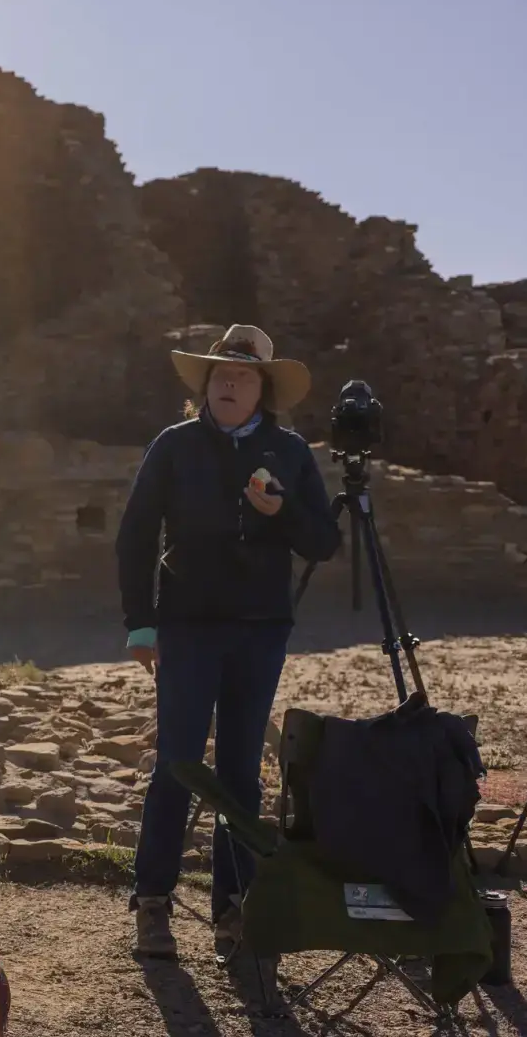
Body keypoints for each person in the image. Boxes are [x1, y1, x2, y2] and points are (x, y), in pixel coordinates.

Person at [115, 323, 342, 960]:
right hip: (186, 627)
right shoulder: (175, 445)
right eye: (219, 375)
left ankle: (233, 910)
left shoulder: (291, 452)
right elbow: (136, 535)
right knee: (177, 765)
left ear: (263, 389)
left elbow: (323, 542)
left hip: (260, 631)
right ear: (206, 386)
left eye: (242, 376)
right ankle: (154, 905)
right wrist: (140, 622)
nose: (229, 384)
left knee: (242, 774)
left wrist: (283, 514)